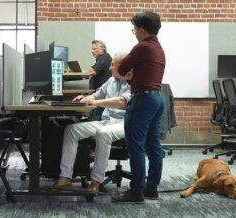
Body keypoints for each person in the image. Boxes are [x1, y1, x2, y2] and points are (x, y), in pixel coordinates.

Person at [52, 53, 131, 193]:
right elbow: (97, 94)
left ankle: (96, 181)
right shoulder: (111, 81)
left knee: (102, 133)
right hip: (107, 121)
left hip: (124, 123)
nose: (110, 68)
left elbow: (121, 101)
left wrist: (95, 102)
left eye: (113, 64)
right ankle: (65, 178)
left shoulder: (134, 81)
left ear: (124, 66)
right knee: (71, 130)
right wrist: (85, 97)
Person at [111, 11, 166, 204]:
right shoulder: (158, 48)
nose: (134, 32)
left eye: (134, 28)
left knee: (135, 146)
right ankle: (151, 188)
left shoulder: (142, 46)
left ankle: (135, 192)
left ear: (142, 29)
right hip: (157, 99)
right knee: (153, 146)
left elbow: (121, 68)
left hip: (142, 100)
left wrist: (131, 73)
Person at [88, 40, 112, 120]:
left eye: (94, 49)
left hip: (102, 91)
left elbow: (92, 71)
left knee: (96, 117)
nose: (92, 51)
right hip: (100, 90)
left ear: (102, 50)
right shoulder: (102, 58)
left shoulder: (104, 57)